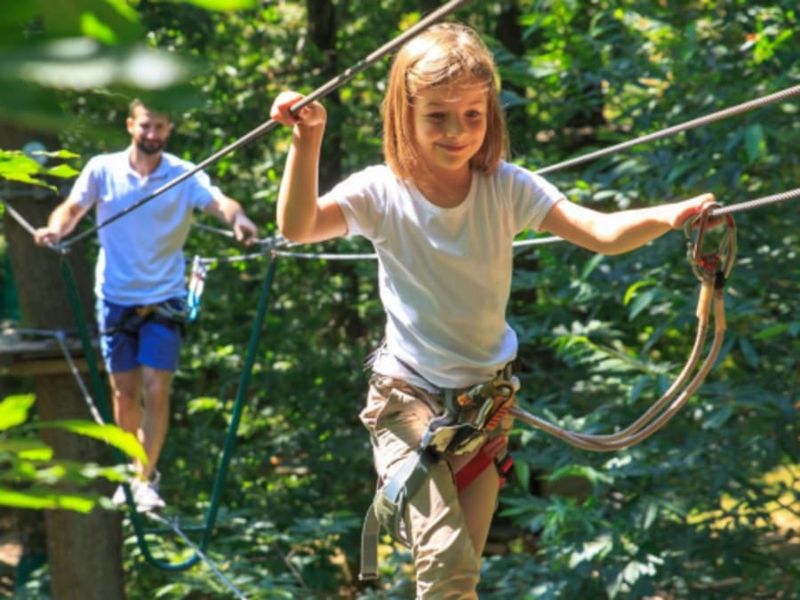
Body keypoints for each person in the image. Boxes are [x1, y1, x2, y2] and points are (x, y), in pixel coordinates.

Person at [270, 22, 717, 598]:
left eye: (473, 115)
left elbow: (599, 232)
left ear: (491, 115)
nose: (457, 131)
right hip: (406, 403)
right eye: (437, 116)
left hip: (483, 410)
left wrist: (671, 214)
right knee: (449, 568)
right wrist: (307, 141)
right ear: (403, 116)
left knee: (460, 577)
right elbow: (298, 225)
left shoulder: (507, 187)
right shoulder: (381, 192)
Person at [34, 99, 258, 512]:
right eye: (145, 126)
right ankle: (132, 470)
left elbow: (220, 202)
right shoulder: (103, 169)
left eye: (159, 127)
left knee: (157, 388)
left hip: (165, 298)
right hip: (116, 297)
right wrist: (54, 229)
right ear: (130, 126)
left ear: (169, 129)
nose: (152, 134)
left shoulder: (183, 174)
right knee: (125, 393)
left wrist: (238, 221)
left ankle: (143, 479)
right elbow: (73, 208)